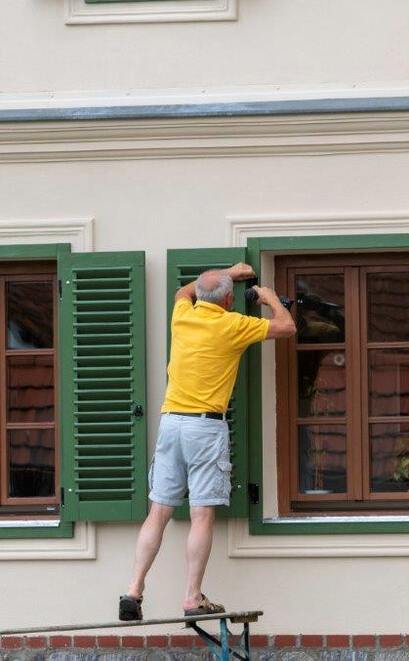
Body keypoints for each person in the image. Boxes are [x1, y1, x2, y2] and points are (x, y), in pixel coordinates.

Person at [118, 263, 296, 621]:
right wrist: (271, 298)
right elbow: (288, 327)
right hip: (204, 427)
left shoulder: (182, 314)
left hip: (170, 423)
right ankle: (191, 597)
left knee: (160, 512)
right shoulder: (233, 325)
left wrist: (227, 270)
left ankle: (134, 590)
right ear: (230, 300)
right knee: (201, 513)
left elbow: (181, 293)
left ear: (200, 296)